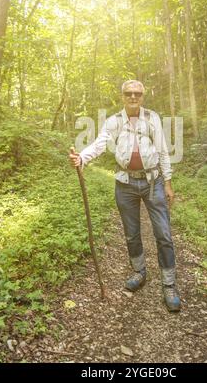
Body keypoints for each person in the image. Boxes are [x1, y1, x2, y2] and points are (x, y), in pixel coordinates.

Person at [69, 80, 181, 312]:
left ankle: (169, 284)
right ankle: (139, 272)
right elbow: (100, 145)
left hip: (153, 182)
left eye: (137, 94)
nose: (133, 97)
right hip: (125, 183)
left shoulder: (153, 118)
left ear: (142, 96)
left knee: (163, 233)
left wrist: (168, 182)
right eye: (128, 93)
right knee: (131, 234)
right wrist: (83, 158)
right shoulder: (114, 122)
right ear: (122, 96)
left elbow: (162, 151)